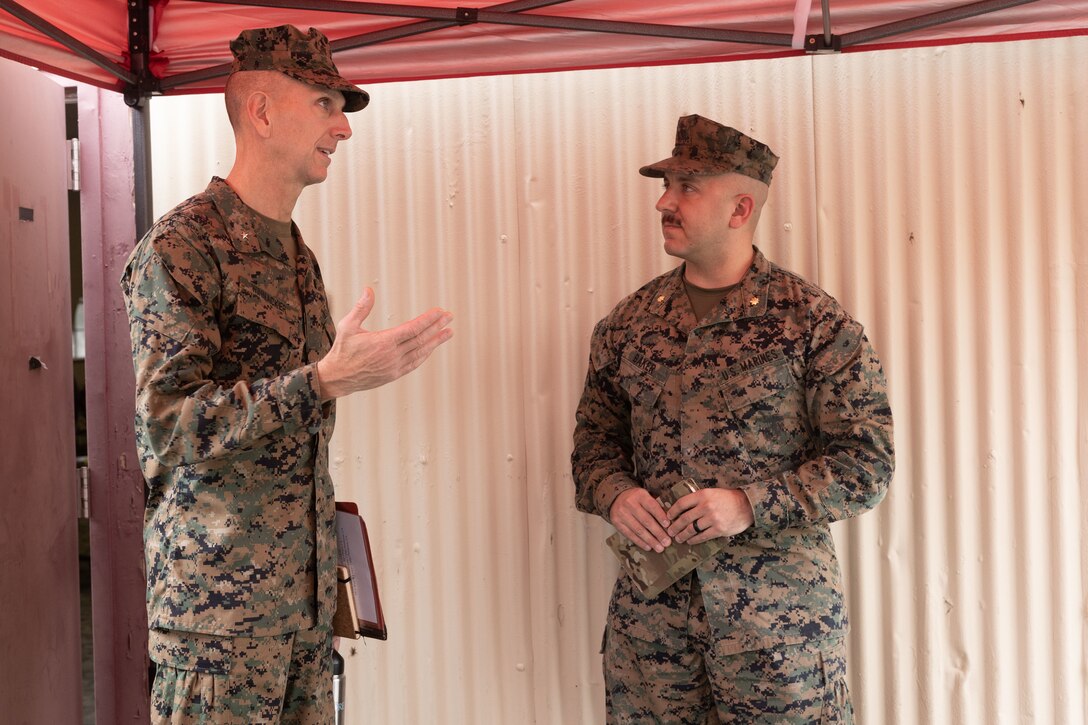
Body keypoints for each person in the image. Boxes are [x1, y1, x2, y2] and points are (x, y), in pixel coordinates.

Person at [121, 25, 453, 724]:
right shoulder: (182, 249)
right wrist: (322, 382)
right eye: (326, 105)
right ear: (263, 112)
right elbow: (168, 429)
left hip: (299, 615)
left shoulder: (297, 256)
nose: (343, 129)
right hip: (218, 628)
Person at [571, 114, 894, 723]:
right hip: (653, 634)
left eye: (688, 186)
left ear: (740, 208)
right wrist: (614, 495)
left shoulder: (814, 324)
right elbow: (594, 443)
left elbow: (866, 463)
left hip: (780, 632)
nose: (665, 202)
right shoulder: (628, 326)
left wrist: (749, 504)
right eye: (666, 185)